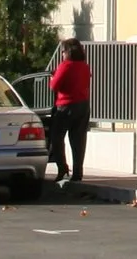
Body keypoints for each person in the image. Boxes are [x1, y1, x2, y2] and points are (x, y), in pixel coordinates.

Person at [46, 39, 91, 186]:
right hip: (83, 105)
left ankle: (63, 169)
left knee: (57, 138)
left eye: (63, 51)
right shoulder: (84, 66)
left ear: (68, 52)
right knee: (78, 140)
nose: (62, 54)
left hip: (65, 106)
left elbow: (54, 86)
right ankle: (77, 172)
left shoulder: (65, 65)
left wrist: (53, 77)